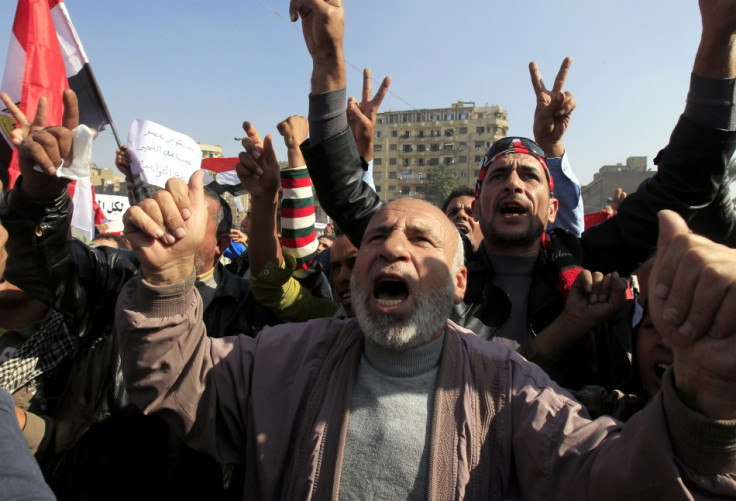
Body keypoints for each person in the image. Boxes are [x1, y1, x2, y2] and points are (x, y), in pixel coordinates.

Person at [116, 168, 736, 498]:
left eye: (419, 239)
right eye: (378, 239)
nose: (392, 249)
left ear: (459, 282)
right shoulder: (283, 358)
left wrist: (707, 398)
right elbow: (175, 384)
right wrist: (169, 282)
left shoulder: (506, 384)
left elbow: (606, 476)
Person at [295, 0, 736, 391]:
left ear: (553, 205)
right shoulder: (441, 273)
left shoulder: (587, 266)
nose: (514, 183)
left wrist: (718, 36)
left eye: (529, 175)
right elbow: (348, 196)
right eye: (499, 175)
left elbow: (688, 181)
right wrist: (329, 63)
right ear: (481, 204)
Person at [0, 90, 277, 499]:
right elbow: (45, 266)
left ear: (219, 243)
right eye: (167, 204)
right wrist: (41, 196)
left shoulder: (248, 310)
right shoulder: (119, 275)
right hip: (92, 479)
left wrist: (267, 199)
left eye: (191, 212)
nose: (170, 217)